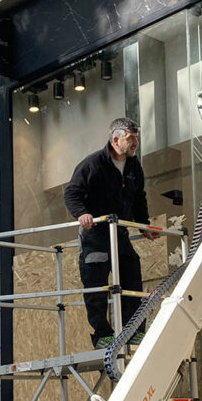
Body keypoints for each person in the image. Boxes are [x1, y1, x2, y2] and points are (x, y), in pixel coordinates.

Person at [64, 117, 158, 347]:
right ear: (116, 139)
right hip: (95, 234)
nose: (135, 143)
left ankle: (133, 330)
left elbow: (139, 198)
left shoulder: (134, 166)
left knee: (132, 278)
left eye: (136, 138)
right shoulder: (93, 164)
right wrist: (82, 214)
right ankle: (103, 334)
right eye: (130, 138)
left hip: (120, 234)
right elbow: (72, 193)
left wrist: (143, 225)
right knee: (96, 285)